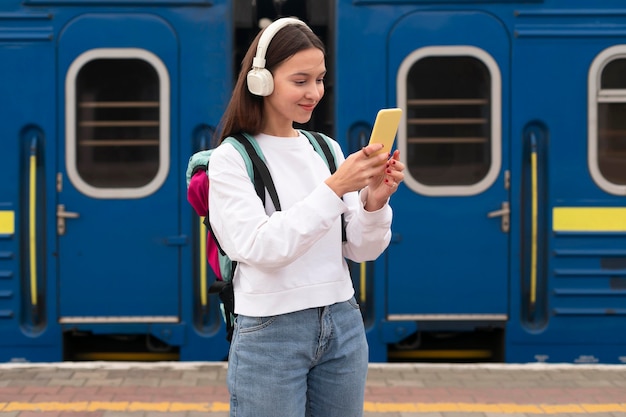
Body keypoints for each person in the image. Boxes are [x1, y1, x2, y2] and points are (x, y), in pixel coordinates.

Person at [208, 17, 405, 417]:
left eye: (320, 79)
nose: (314, 92)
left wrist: (374, 202)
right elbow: (260, 247)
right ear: (261, 81)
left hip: (342, 322)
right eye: (300, 81)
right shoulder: (232, 157)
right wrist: (334, 190)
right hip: (269, 333)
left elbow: (362, 250)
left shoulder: (326, 149)